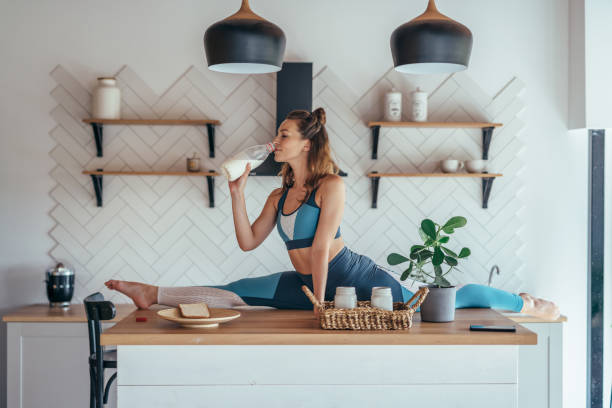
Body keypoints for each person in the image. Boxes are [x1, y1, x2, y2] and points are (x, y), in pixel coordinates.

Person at [105, 108, 560, 320]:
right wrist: (237, 193)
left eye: (283, 135)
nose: (275, 141)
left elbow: (322, 246)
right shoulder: (278, 195)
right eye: (277, 135)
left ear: (306, 143)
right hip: (309, 283)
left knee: (441, 301)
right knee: (238, 291)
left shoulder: (331, 185)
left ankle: (526, 304)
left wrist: (321, 304)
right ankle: (152, 292)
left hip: (356, 278)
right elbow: (247, 242)